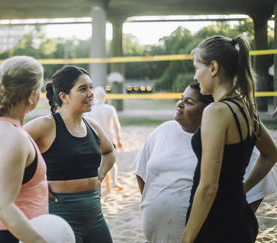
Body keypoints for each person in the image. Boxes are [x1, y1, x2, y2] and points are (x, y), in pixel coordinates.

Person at [132, 82, 277, 243]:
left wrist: (231, 218)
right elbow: (141, 171)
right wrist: (154, 204)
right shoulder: (162, 131)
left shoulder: (232, 142)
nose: (179, 104)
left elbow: (259, 188)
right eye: (181, 98)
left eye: (189, 102)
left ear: (208, 111)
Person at [181, 35, 277, 243]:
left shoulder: (216, 112)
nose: (196, 76)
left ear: (213, 67)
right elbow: (271, 154)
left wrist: (186, 239)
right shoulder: (245, 107)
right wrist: (240, 189)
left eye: (197, 68)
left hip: (216, 223)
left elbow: (208, 187)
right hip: (240, 216)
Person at [25, 65, 116, 243]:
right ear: (64, 96)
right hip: (61, 214)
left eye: (90, 87)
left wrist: (100, 175)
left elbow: (110, 151)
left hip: (94, 215)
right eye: (83, 89)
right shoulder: (46, 125)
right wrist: (32, 184)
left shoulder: (92, 126)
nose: (91, 94)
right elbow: (9, 150)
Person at [0, 56, 49, 243]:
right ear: (32, 95)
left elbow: (11, 181)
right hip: (10, 236)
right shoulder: (13, 138)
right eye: (40, 89)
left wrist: (40, 186)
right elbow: (4, 207)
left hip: (7, 233)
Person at [85, 86, 124, 191]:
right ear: (104, 97)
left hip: (95, 140)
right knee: (112, 162)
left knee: (99, 163)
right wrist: (119, 140)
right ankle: (114, 183)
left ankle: (103, 185)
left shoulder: (89, 109)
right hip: (109, 138)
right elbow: (117, 126)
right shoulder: (110, 109)